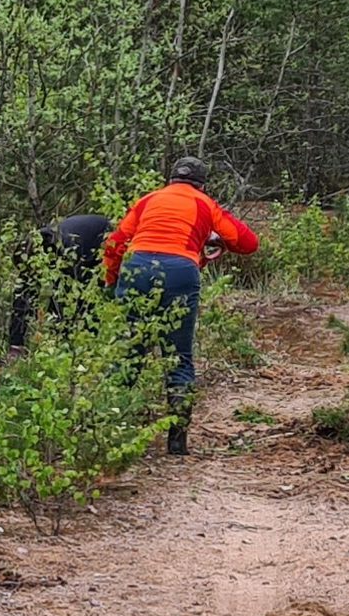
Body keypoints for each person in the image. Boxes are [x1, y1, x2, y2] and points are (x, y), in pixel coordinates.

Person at [102, 155, 262, 456]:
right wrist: (217, 239)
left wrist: (112, 281)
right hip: (180, 271)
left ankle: (110, 433)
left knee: (129, 353)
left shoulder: (148, 199)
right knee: (178, 356)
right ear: (202, 183)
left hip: (136, 269)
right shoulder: (205, 204)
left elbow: (115, 243)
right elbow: (248, 243)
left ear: (172, 178)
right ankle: (177, 443)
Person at [5, 211, 112, 347]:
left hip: (102, 239)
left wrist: (62, 331)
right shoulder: (31, 252)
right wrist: (16, 344)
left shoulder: (66, 250)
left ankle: (90, 343)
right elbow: (22, 298)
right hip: (81, 238)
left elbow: (77, 294)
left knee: (90, 297)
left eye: (32, 272)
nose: (32, 275)